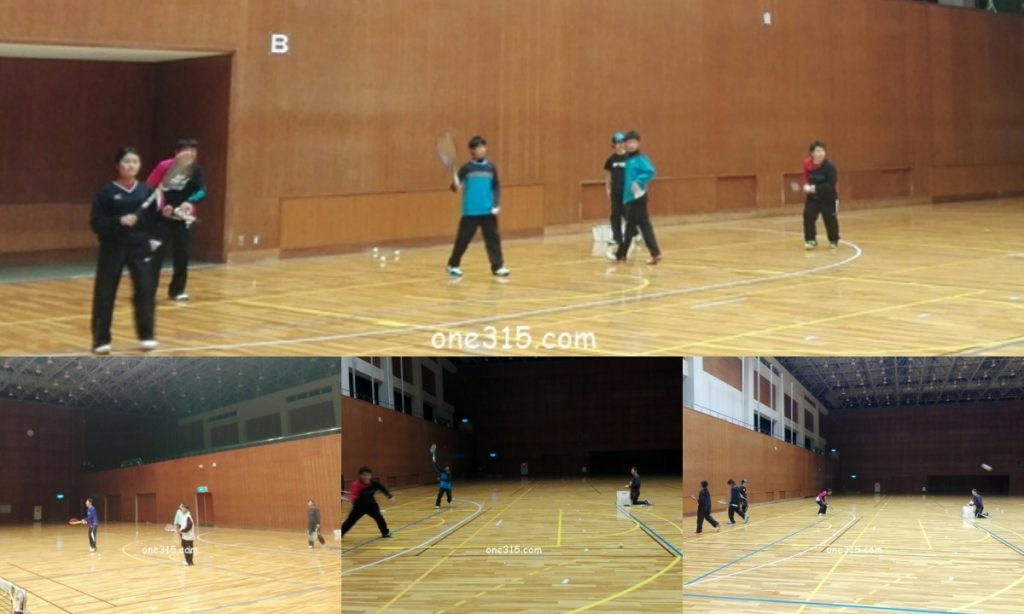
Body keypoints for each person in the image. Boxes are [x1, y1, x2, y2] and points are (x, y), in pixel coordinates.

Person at [90, 147, 159, 354]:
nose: (131, 166)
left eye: (135, 162)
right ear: (117, 165)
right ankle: (101, 339)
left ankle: (147, 335)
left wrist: (146, 225)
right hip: (113, 246)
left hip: (139, 246)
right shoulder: (105, 193)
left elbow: (154, 220)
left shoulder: (146, 191)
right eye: (127, 162)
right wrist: (118, 221)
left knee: (145, 290)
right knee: (105, 292)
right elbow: (96, 223)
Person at [147, 138, 206, 302]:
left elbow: (202, 191)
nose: (190, 155)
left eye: (193, 152)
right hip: (161, 218)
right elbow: (149, 188)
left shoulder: (196, 170)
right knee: (156, 255)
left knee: (182, 254)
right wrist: (161, 207)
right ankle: (148, 292)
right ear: (176, 153)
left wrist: (189, 202)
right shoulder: (164, 166)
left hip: (182, 218)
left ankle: (177, 290)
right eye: (187, 151)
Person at [446, 136, 509, 278]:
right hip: (471, 211)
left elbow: (496, 187)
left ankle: (498, 266)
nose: (482, 150)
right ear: (472, 151)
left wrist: (496, 203)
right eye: (478, 147)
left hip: (488, 210)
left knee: (493, 239)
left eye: (483, 147)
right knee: (463, 240)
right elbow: (455, 188)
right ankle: (453, 265)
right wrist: (456, 185)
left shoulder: (491, 167)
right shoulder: (466, 168)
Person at [607, 131, 662, 265]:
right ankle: (655, 253)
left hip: (638, 197)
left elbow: (650, 172)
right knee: (642, 225)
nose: (631, 145)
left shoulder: (640, 158)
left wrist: (638, 181)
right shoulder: (627, 159)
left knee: (631, 227)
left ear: (638, 144)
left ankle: (621, 255)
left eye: (634, 142)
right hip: (629, 197)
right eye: (629, 142)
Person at [801, 141, 840, 250]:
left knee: (830, 219)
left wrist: (814, 189)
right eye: (818, 151)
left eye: (822, 151)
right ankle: (810, 240)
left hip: (829, 197)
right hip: (813, 198)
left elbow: (831, 184)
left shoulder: (830, 166)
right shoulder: (807, 164)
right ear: (812, 153)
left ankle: (834, 240)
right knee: (808, 216)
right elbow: (805, 176)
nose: (821, 153)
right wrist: (805, 185)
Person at [341, 467, 395, 538]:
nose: (365, 477)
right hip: (359, 507)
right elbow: (353, 496)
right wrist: (351, 499)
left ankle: (385, 533)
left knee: (379, 518)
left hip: (372, 506)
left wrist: (390, 496)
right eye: (363, 475)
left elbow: (382, 488)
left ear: (370, 475)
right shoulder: (356, 485)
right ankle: (340, 534)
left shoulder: (374, 483)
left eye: (367, 475)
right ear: (360, 476)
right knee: (350, 522)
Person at [603, 132, 629, 245]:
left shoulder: (629, 158)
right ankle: (617, 237)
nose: (620, 144)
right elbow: (608, 175)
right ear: (614, 145)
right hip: (616, 191)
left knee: (627, 213)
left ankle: (635, 232)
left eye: (622, 142)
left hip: (627, 191)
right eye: (618, 143)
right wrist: (608, 188)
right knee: (615, 214)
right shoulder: (611, 160)